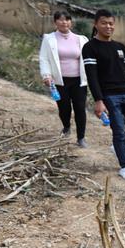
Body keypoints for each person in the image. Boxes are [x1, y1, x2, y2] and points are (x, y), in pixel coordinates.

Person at [82, 9, 125, 183]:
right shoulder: (90, 48)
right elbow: (92, 76)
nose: (108, 26)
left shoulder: (120, 47)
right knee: (118, 131)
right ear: (96, 24)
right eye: (104, 23)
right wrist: (99, 101)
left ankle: (119, 147)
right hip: (109, 96)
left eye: (111, 23)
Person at [38, 10, 90, 147]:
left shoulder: (82, 39)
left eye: (67, 19)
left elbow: (88, 59)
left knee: (80, 108)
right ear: (55, 22)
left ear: (71, 22)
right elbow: (44, 59)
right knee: (64, 108)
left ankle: (81, 138)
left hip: (79, 81)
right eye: (60, 20)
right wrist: (46, 75)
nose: (64, 22)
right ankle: (66, 126)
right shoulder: (49, 39)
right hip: (59, 81)